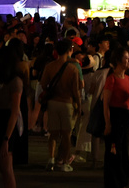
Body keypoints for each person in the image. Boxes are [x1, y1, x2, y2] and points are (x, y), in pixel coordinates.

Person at [40, 37, 83, 172]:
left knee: (53, 134)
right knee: (66, 135)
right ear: (70, 50)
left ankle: (51, 159)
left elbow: (43, 84)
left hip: (52, 102)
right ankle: (64, 162)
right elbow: (76, 91)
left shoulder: (49, 66)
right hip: (67, 102)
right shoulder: (73, 69)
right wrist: (79, 106)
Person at [0, 41, 24, 188]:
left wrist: (6, 138)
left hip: (7, 122)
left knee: (6, 166)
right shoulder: (2, 80)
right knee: (1, 166)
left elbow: (14, 111)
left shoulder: (15, 81)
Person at [101, 48, 129, 188]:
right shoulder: (112, 79)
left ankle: (122, 179)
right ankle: (114, 180)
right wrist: (107, 123)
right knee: (115, 150)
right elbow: (106, 104)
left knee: (124, 149)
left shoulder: (127, 78)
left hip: (125, 116)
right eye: (126, 58)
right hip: (115, 116)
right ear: (118, 61)